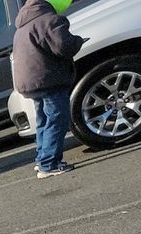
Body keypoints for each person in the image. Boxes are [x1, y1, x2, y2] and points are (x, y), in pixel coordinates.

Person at [12, 0, 88, 179]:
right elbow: (64, 46)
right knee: (58, 119)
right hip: (48, 79)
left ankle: (42, 160)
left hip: (30, 82)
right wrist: (78, 41)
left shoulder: (23, 23)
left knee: (43, 120)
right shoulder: (49, 19)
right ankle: (49, 164)